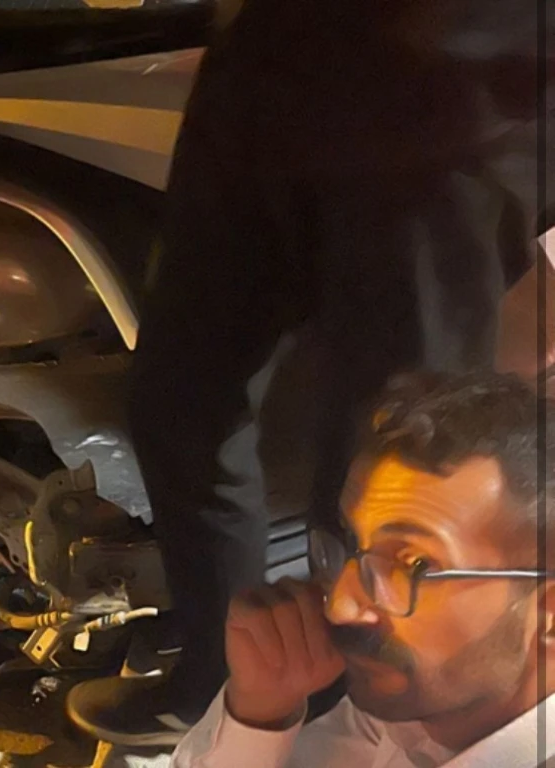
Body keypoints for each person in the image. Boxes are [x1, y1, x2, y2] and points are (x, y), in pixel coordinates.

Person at [65, 0, 554, 742]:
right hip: (268, 74)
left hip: (455, 111)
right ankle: (228, 678)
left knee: (387, 467)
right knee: (180, 404)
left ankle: (346, 726)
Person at [172, 369, 555, 766]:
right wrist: (259, 712)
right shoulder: (407, 722)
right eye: (353, 543)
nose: (340, 606)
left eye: (415, 565)